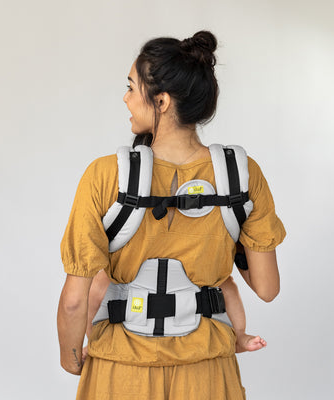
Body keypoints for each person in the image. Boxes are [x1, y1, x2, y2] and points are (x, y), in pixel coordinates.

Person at [57, 30, 285, 400]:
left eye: (131, 88)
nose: (126, 98)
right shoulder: (240, 177)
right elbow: (268, 288)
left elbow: (73, 301)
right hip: (207, 374)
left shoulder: (105, 175)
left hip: (120, 373)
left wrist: (70, 358)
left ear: (161, 101)